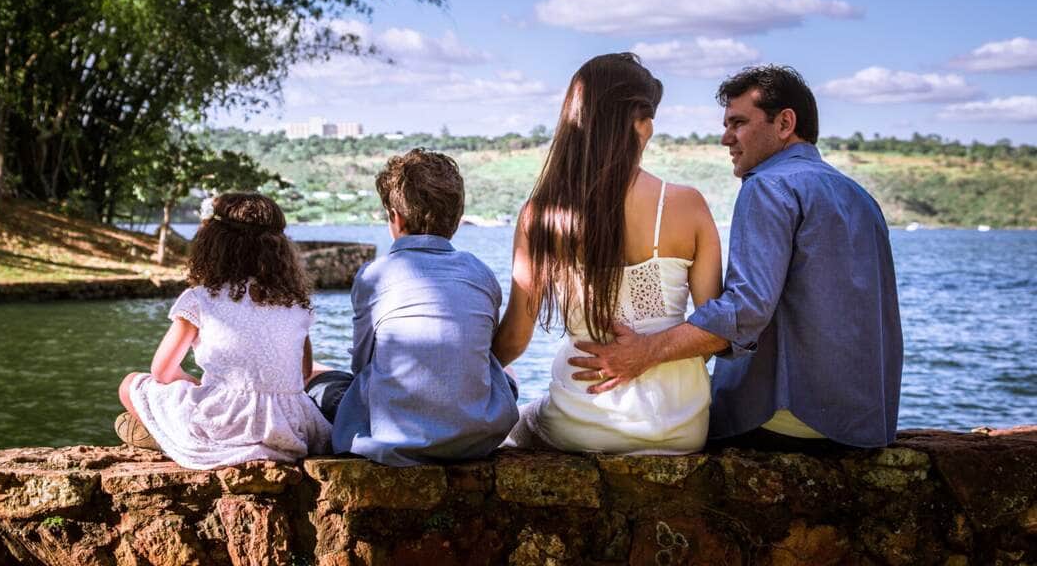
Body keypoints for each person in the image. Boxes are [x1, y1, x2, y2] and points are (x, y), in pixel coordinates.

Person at [569, 65, 903, 449]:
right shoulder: (860, 197)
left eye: (738, 123)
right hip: (861, 423)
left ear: (785, 123)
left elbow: (745, 310)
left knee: (658, 429)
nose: (726, 138)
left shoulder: (767, 186)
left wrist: (645, 352)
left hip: (789, 419)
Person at [495, 52, 723, 454]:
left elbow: (515, 337)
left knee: (515, 429)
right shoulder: (688, 205)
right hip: (682, 424)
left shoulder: (542, 214)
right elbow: (718, 331)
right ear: (643, 125)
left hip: (583, 420)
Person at [306, 148, 519, 467]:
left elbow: (361, 364)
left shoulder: (374, 275)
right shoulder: (481, 273)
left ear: (396, 217)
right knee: (505, 371)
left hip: (394, 439)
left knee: (321, 381)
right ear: (457, 220)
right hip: (477, 438)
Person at [116, 193, 331, 469]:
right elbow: (302, 374)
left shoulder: (200, 299)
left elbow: (162, 372)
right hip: (287, 429)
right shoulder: (296, 305)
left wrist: (196, 385)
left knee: (130, 384)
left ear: (213, 245)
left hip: (223, 422)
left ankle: (171, 439)